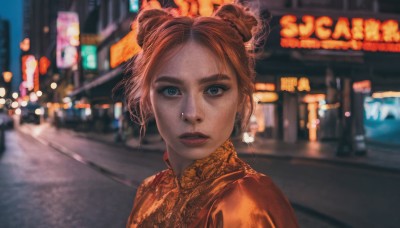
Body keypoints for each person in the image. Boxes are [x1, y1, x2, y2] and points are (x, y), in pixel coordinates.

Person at [124, 3, 299, 227]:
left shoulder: (246, 203)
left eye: (214, 90)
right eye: (171, 90)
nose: (192, 114)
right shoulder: (149, 192)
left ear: (240, 97)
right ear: (148, 99)